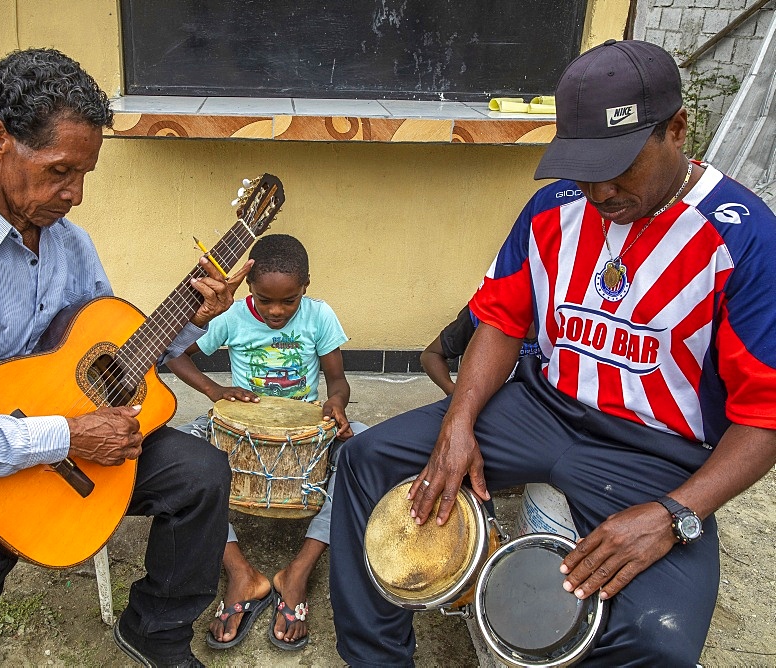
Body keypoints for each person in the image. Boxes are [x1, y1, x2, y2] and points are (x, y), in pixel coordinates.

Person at [330, 38, 776, 667]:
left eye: (619, 165)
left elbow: (765, 416)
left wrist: (675, 515)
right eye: (583, 165)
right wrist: (458, 422)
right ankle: (374, 656)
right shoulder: (553, 207)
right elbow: (501, 321)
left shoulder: (745, 240)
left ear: (676, 129)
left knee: (659, 643)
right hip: (539, 409)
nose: (598, 189)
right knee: (367, 460)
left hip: (655, 452)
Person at [0, 48, 250, 668]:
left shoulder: (70, 241)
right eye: (61, 171)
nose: (77, 194)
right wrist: (63, 438)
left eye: (85, 173)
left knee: (200, 475)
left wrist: (188, 323)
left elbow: (111, 356)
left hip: (74, 446)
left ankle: (156, 629)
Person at [166, 234, 366, 651]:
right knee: (173, 456)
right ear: (248, 289)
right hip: (244, 430)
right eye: (264, 299)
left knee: (365, 452)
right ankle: (241, 572)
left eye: (288, 301)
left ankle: (297, 571)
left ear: (305, 288)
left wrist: (336, 402)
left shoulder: (319, 316)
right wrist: (212, 390)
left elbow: (338, 380)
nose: (276, 311)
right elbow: (173, 353)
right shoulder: (232, 317)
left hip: (305, 430)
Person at [420, 304, 540, 395]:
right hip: (489, 409)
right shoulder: (479, 315)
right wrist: (453, 392)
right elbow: (431, 355)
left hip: (537, 410)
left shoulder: (555, 317)